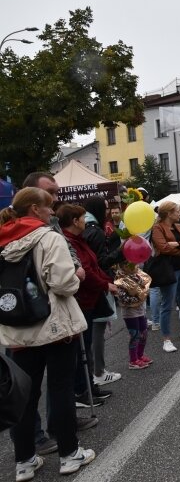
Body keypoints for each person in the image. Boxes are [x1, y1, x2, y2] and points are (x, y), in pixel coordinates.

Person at [0, 188, 96, 479]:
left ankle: (24, 462)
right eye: (49, 207)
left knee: (24, 397)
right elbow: (64, 284)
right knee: (61, 389)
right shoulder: (48, 238)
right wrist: (76, 276)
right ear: (34, 209)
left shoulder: (2, 240)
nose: (53, 212)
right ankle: (69, 454)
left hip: (18, 328)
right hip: (54, 327)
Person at [57, 204, 118, 409]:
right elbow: (86, 273)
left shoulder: (79, 239)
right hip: (81, 301)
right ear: (75, 221)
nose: (86, 221)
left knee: (86, 346)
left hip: (90, 300)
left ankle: (88, 386)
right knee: (81, 349)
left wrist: (106, 281)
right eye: (83, 218)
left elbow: (93, 267)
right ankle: (82, 390)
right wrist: (105, 284)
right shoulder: (68, 241)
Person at [82, 196, 124, 388]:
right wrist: (120, 251)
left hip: (88, 285)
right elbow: (100, 262)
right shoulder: (96, 232)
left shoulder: (84, 228)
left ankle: (93, 372)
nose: (108, 212)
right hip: (98, 285)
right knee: (97, 330)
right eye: (106, 208)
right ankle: (98, 371)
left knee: (92, 332)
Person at [150, 201, 180, 352]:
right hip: (169, 270)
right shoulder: (157, 228)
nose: (179, 213)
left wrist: (177, 245)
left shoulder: (178, 226)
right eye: (177, 211)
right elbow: (163, 248)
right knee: (167, 305)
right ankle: (167, 340)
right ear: (169, 213)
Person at [114, 263, 153, 370]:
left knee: (144, 333)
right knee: (135, 335)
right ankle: (133, 360)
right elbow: (122, 297)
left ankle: (140, 355)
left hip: (140, 309)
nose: (134, 266)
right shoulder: (120, 279)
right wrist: (137, 299)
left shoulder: (137, 275)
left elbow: (144, 286)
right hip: (130, 312)